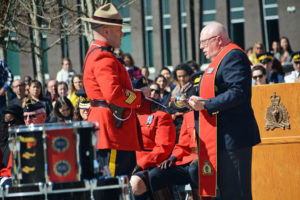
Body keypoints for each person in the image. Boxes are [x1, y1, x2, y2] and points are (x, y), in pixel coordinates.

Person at [187, 22, 260, 199]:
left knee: (237, 193)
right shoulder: (221, 60)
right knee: (227, 192)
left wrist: (206, 104)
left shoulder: (232, 56)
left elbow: (238, 92)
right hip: (222, 138)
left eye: (204, 42)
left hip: (234, 139)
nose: (201, 47)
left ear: (218, 40)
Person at [81, 3, 153, 178]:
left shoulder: (101, 53)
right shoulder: (103, 56)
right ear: (107, 31)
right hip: (112, 128)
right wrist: (139, 96)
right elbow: (114, 94)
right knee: (113, 183)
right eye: (119, 30)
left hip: (113, 125)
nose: (123, 33)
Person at [131, 111, 199, 199]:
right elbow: (183, 146)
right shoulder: (189, 115)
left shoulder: (213, 112)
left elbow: (163, 147)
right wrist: (173, 158)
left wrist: (202, 156)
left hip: (205, 159)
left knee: (194, 170)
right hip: (186, 160)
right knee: (156, 175)